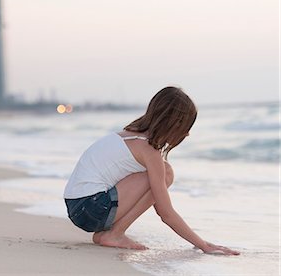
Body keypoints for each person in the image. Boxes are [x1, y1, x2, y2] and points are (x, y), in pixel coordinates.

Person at [64, 86, 240, 255]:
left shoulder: (129, 135)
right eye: (186, 127)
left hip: (79, 208)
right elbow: (166, 213)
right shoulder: (148, 150)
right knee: (166, 173)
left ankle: (111, 233)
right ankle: (115, 234)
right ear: (175, 124)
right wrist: (203, 245)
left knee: (163, 170)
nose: (186, 134)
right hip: (91, 208)